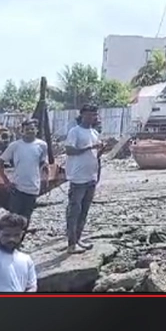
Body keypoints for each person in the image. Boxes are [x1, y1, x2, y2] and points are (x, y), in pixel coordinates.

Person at [62, 104, 104, 253]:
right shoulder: (75, 131)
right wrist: (89, 148)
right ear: (83, 115)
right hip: (78, 178)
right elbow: (69, 150)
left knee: (84, 211)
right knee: (74, 210)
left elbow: (95, 155)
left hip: (90, 176)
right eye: (90, 114)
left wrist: (101, 152)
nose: (93, 117)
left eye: (94, 114)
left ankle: (78, 239)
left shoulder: (94, 132)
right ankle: (71, 244)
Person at [0, 120, 49, 223]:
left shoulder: (42, 145)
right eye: (27, 129)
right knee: (13, 218)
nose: (30, 131)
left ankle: (21, 238)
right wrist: (6, 181)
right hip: (17, 188)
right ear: (22, 131)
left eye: (32, 129)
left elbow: (43, 163)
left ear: (36, 130)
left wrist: (45, 179)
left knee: (26, 218)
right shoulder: (15, 146)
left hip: (33, 188)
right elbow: (1, 161)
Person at [0, 213, 37, 293]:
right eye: (6, 235)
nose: (11, 239)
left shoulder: (26, 259)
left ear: (22, 235)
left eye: (16, 235)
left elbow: (31, 286)